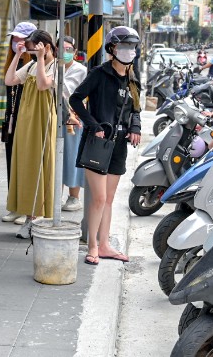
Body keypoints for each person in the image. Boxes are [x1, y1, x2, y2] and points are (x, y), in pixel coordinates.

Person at [69, 26, 142, 266]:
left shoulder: (133, 76)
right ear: (112, 49)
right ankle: (92, 246)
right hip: (98, 141)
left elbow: (136, 108)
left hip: (120, 143)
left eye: (131, 47)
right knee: (98, 198)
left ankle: (105, 244)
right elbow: (75, 99)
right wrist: (92, 124)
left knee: (109, 199)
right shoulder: (99, 73)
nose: (128, 51)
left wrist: (135, 129)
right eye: (123, 46)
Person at [4, 29, 58, 239]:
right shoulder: (32, 64)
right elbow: (9, 80)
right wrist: (18, 56)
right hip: (26, 122)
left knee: (40, 166)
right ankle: (28, 215)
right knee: (25, 165)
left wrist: (43, 58)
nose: (33, 53)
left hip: (42, 122)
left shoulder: (56, 67)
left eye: (35, 48)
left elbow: (44, 85)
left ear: (45, 46)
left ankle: (37, 218)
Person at [0, 21, 37, 225]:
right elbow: (8, 82)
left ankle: (26, 208)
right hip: (12, 119)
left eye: (21, 39)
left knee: (24, 164)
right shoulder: (13, 61)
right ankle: (14, 205)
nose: (17, 42)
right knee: (11, 162)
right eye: (15, 39)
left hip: (27, 121)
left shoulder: (33, 63)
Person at [61, 35, 88, 211]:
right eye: (61, 49)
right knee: (56, 158)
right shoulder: (52, 67)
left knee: (72, 156)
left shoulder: (81, 70)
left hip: (74, 118)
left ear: (75, 52)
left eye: (68, 49)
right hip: (56, 116)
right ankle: (55, 195)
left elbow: (72, 92)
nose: (65, 52)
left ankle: (74, 197)